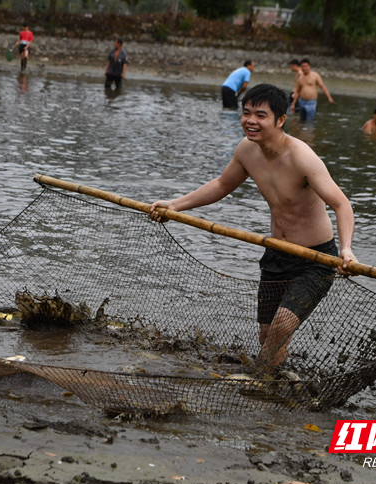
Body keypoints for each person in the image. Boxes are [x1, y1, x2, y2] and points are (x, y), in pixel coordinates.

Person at [149, 83, 357, 373]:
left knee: (281, 327)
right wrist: (174, 205)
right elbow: (222, 185)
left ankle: (259, 381)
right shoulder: (247, 151)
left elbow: (342, 205)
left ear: (280, 120)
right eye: (246, 113)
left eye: (261, 115)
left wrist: (346, 250)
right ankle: (276, 387)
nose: (250, 121)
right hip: (276, 253)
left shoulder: (302, 158)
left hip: (315, 259)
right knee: (266, 335)